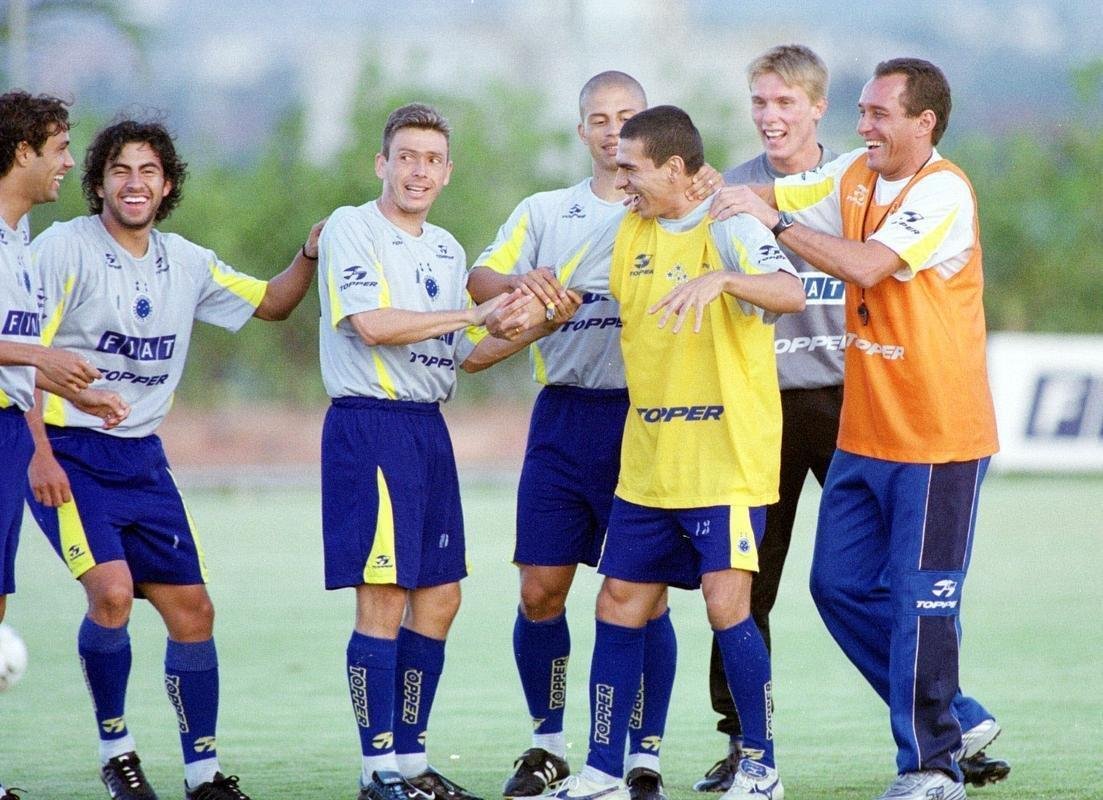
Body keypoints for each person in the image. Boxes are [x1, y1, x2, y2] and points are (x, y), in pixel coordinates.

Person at [709, 58, 1009, 800]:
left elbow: (869, 265)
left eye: (879, 114)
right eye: (862, 111)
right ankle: (956, 716)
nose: (863, 125)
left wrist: (775, 222)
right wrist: (695, 187)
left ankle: (931, 766)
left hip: (936, 437)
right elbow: (770, 192)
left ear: (923, 123)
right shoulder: (852, 173)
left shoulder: (942, 190)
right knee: (837, 586)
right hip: (864, 432)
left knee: (921, 600)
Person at [25, 118, 322, 800]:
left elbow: (273, 303)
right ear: (99, 183)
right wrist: (39, 453)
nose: (135, 183)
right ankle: (117, 752)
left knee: (194, 611)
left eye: (148, 171)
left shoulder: (186, 261)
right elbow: (23, 357)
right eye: (120, 171)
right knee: (112, 594)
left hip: (144, 461)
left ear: (166, 186)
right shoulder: (64, 248)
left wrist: (308, 252)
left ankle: (203, 776)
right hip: (69, 452)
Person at [535, 105, 803, 800]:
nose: (620, 178)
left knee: (726, 604)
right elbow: (558, 292)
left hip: (726, 461)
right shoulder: (625, 228)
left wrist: (725, 279)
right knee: (618, 601)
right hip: (650, 461)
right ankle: (602, 771)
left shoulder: (730, 224)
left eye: (632, 167)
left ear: (676, 168)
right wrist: (499, 320)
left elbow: (791, 291)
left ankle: (761, 766)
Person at [468, 72, 716, 800]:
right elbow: (482, 277)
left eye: (626, 117)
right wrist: (526, 285)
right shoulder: (547, 210)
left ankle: (643, 755)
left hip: (642, 418)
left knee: (644, 596)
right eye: (599, 119)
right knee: (540, 590)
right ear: (581, 131)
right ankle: (547, 745)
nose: (612, 131)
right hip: (563, 416)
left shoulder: (675, 209)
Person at [318, 102, 564, 800]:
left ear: (446, 172)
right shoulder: (352, 227)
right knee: (383, 598)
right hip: (370, 425)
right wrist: (473, 311)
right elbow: (370, 325)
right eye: (406, 157)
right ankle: (375, 770)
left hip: (427, 429)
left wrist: (539, 324)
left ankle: (410, 761)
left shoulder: (448, 249)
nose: (418, 171)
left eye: (431, 160)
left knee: (440, 598)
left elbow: (465, 355)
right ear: (382, 163)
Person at [694, 44, 842, 793]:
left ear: (818, 106)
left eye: (785, 102)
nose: (770, 116)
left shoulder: (854, 183)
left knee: (878, 578)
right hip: (760, 407)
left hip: (848, 400)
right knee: (744, 581)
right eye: (760, 102)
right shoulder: (728, 190)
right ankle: (743, 742)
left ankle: (938, 732)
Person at [0, 91, 129, 800]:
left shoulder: (19, 239)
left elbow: (17, 354)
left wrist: (76, 394)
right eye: (58, 148)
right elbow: (22, 350)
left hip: (8, 431)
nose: (70, 163)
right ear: (22, 151)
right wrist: (39, 358)